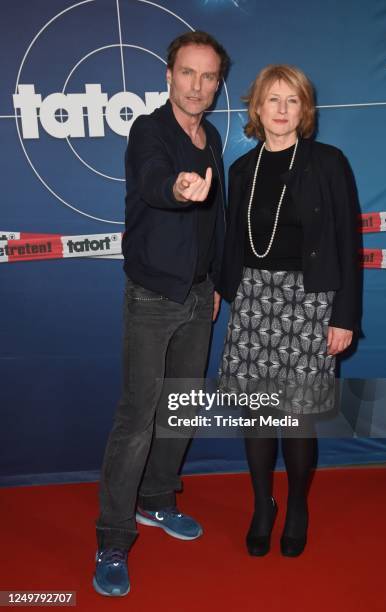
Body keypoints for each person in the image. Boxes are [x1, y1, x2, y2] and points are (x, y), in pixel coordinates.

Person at [94, 31, 229, 596]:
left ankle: (156, 500)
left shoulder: (215, 134)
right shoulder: (148, 130)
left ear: (218, 82)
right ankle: (112, 539)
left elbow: (214, 217)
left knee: (181, 409)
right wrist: (179, 185)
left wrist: (217, 281)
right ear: (169, 76)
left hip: (200, 296)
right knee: (136, 421)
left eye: (208, 76)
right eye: (187, 73)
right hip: (152, 298)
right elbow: (154, 181)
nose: (197, 86)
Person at [218, 65, 360, 558]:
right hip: (255, 300)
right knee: (257, 417)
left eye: (292, 100)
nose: (281, 109)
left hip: (312, 303)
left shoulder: (328, 162)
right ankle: (264, 505)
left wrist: (344, 315)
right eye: (272, 100)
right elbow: (233, 242)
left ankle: (297, 505)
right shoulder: (242, 170)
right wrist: (221, 290)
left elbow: (347, 241)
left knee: (298, 418)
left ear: (305, 109)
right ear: (256, 108)